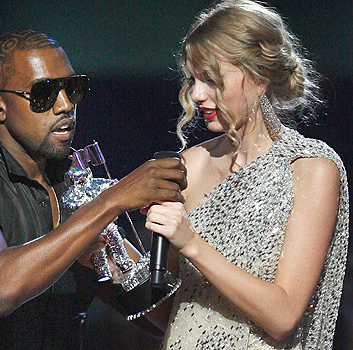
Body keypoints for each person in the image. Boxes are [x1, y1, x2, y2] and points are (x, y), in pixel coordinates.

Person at [0, 29, 186, 349]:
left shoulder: (74, 182)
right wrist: (111, 202)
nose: (65, 105)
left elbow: (164, 318)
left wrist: (174, 241)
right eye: (44, 93)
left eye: (73, 88)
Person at [144, 1, 349, 349]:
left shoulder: (311, 168)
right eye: (193, 79)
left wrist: (191, 243)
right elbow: (172, 311)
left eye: (211, 79)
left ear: (260, 77)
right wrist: (114, 258)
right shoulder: (193, 163)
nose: (196, 94)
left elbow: (283, 316)